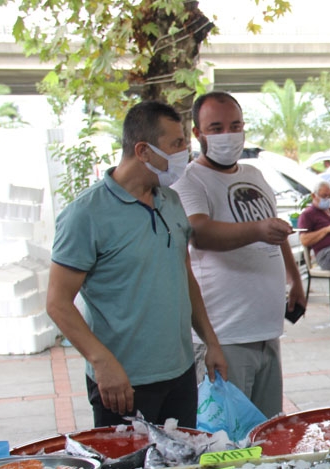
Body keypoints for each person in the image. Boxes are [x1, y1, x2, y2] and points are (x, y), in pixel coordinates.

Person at [47, 100, 227, 428]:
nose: (185, 153)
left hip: (180, 373)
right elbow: (58, 303)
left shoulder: (170, 201)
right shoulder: (86, 215)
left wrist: (211, 342)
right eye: (176, 144)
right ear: (143, 150)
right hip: (123, 383)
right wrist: (102, 362)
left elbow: (184, 275)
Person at [172, 91, 307, 418]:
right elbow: (200, 233)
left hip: (266, 329)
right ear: (197, 134)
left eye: (235, 125)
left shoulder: (254, 175)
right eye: (216, 128)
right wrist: (258, 230)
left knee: (266, 432)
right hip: (224, 334)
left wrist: (294, 277)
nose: (227, 135)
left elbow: (276, 230)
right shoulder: (190, 180)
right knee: (226, 440)